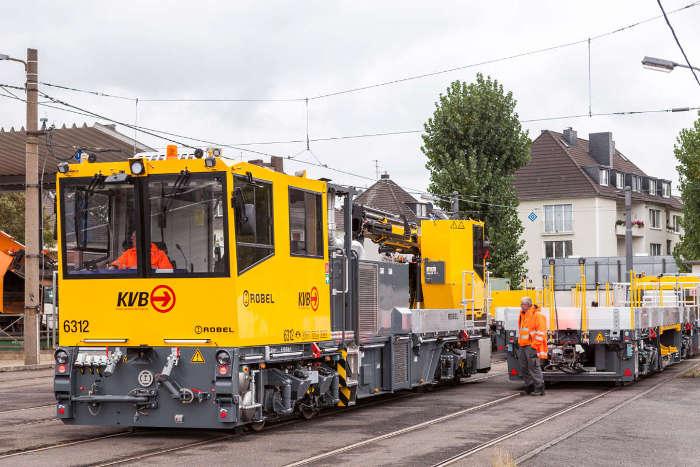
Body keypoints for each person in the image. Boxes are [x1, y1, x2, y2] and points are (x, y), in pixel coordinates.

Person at [517, 296, 548, 396]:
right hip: (523, 345)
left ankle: (539, 387)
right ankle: (529, 386)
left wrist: (534, 346)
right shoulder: (523, 315)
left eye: (523, 304)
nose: (521, 306)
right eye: (521, 304)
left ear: (529, 305)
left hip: (531, 346)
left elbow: (541, 332)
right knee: (524, 367)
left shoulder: (537, 315)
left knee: (533, 367)